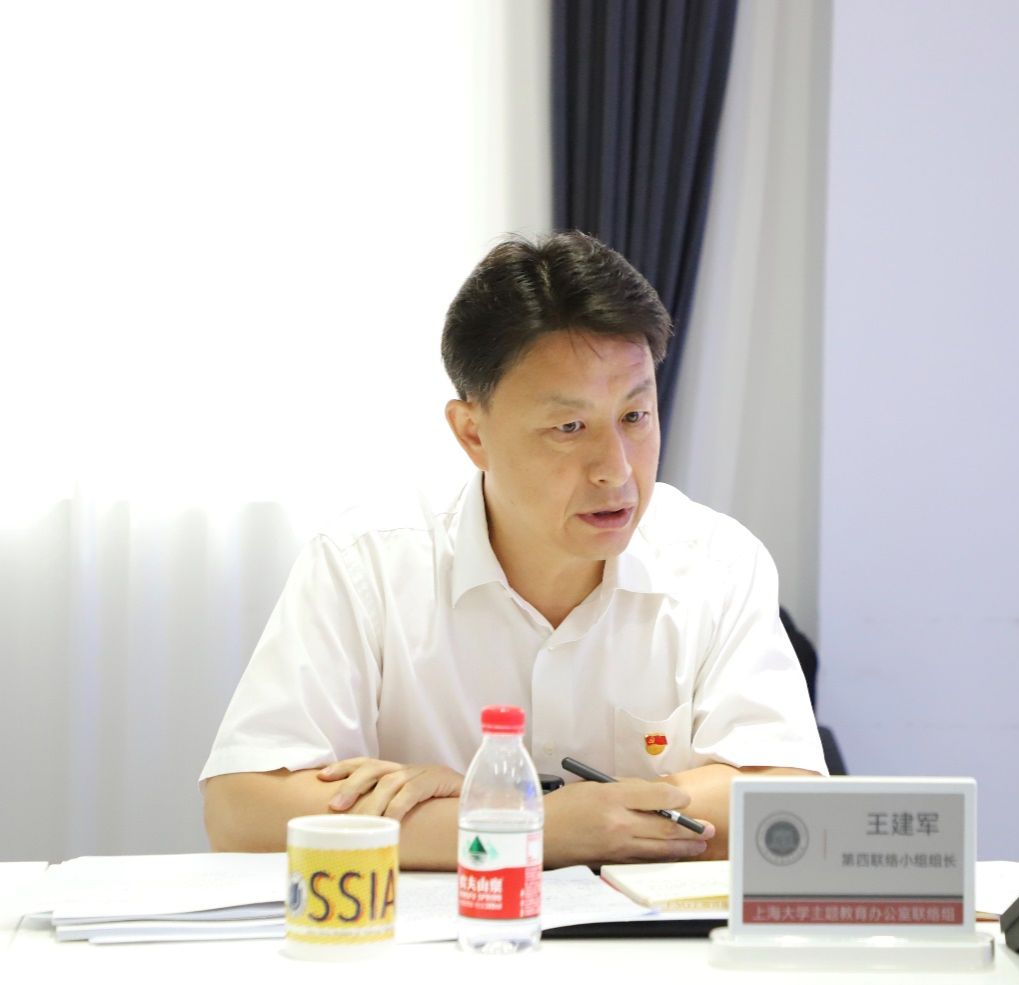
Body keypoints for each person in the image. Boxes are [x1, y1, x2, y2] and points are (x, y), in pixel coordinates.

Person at [201, 231, 826, 869]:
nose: (616, 469)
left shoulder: (718, 562)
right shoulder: (367, 564)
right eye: (569, 427)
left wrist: (492, 812)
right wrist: (536, 827)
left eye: (635, 417)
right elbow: (242, 808)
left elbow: (784, 802)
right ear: (472, 432)